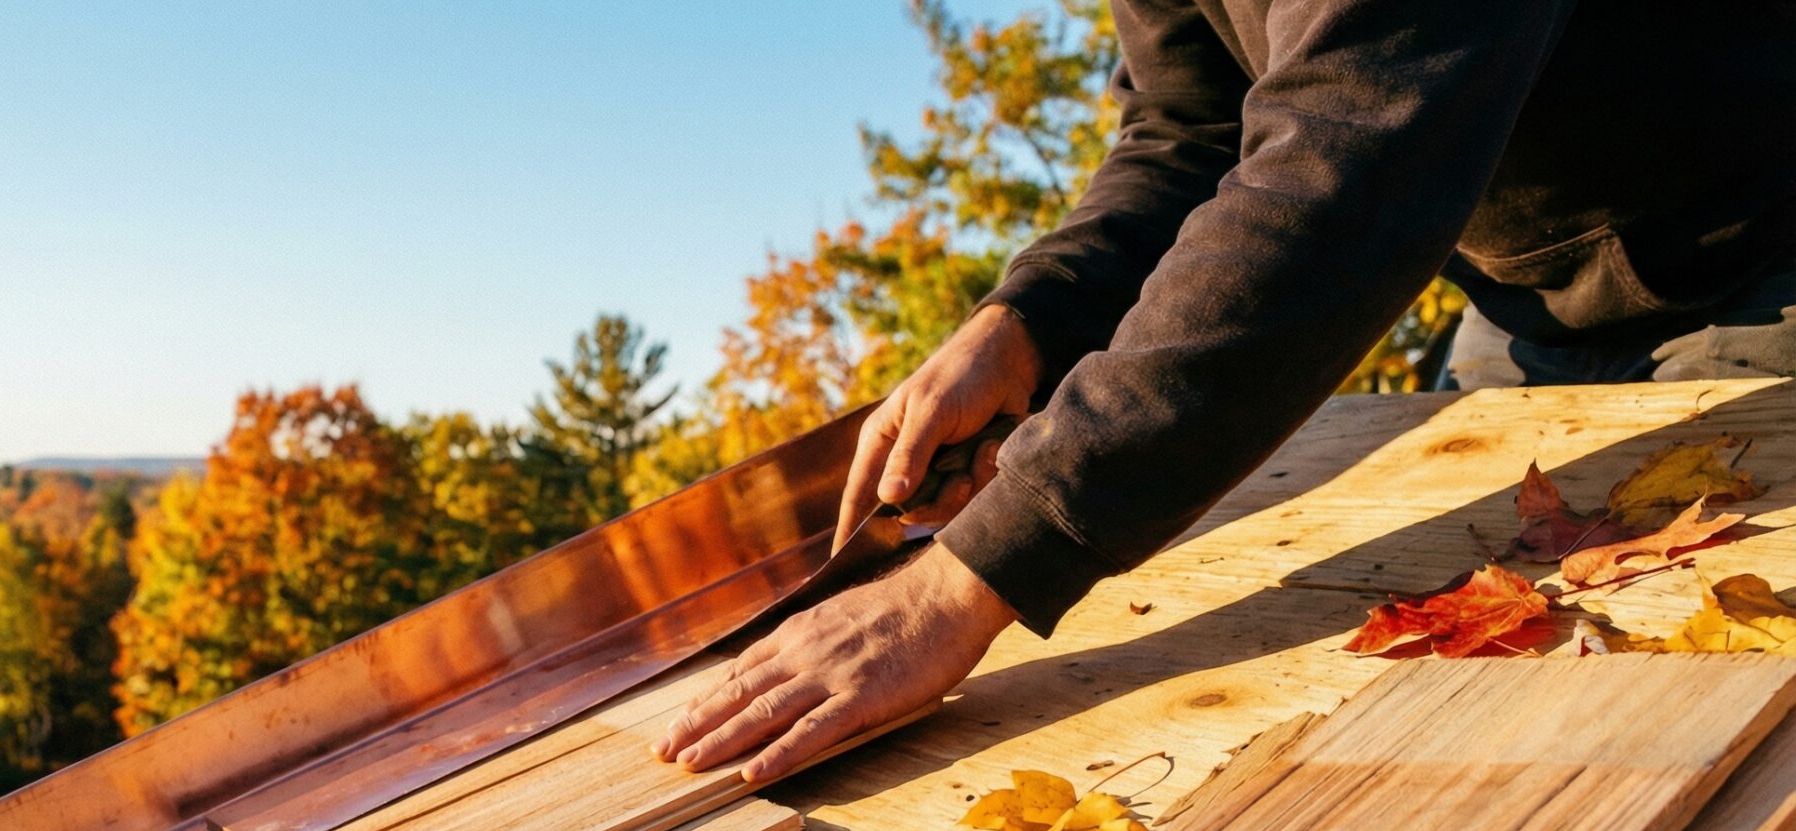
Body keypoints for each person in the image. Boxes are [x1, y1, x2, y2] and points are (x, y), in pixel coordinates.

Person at [655, 0, 1796, 782]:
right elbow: (1192, 127)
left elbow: (1339, 171)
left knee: (1697, 733)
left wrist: (961, 583)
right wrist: (1033, 316)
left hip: (1764, 254)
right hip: (1530, 309)